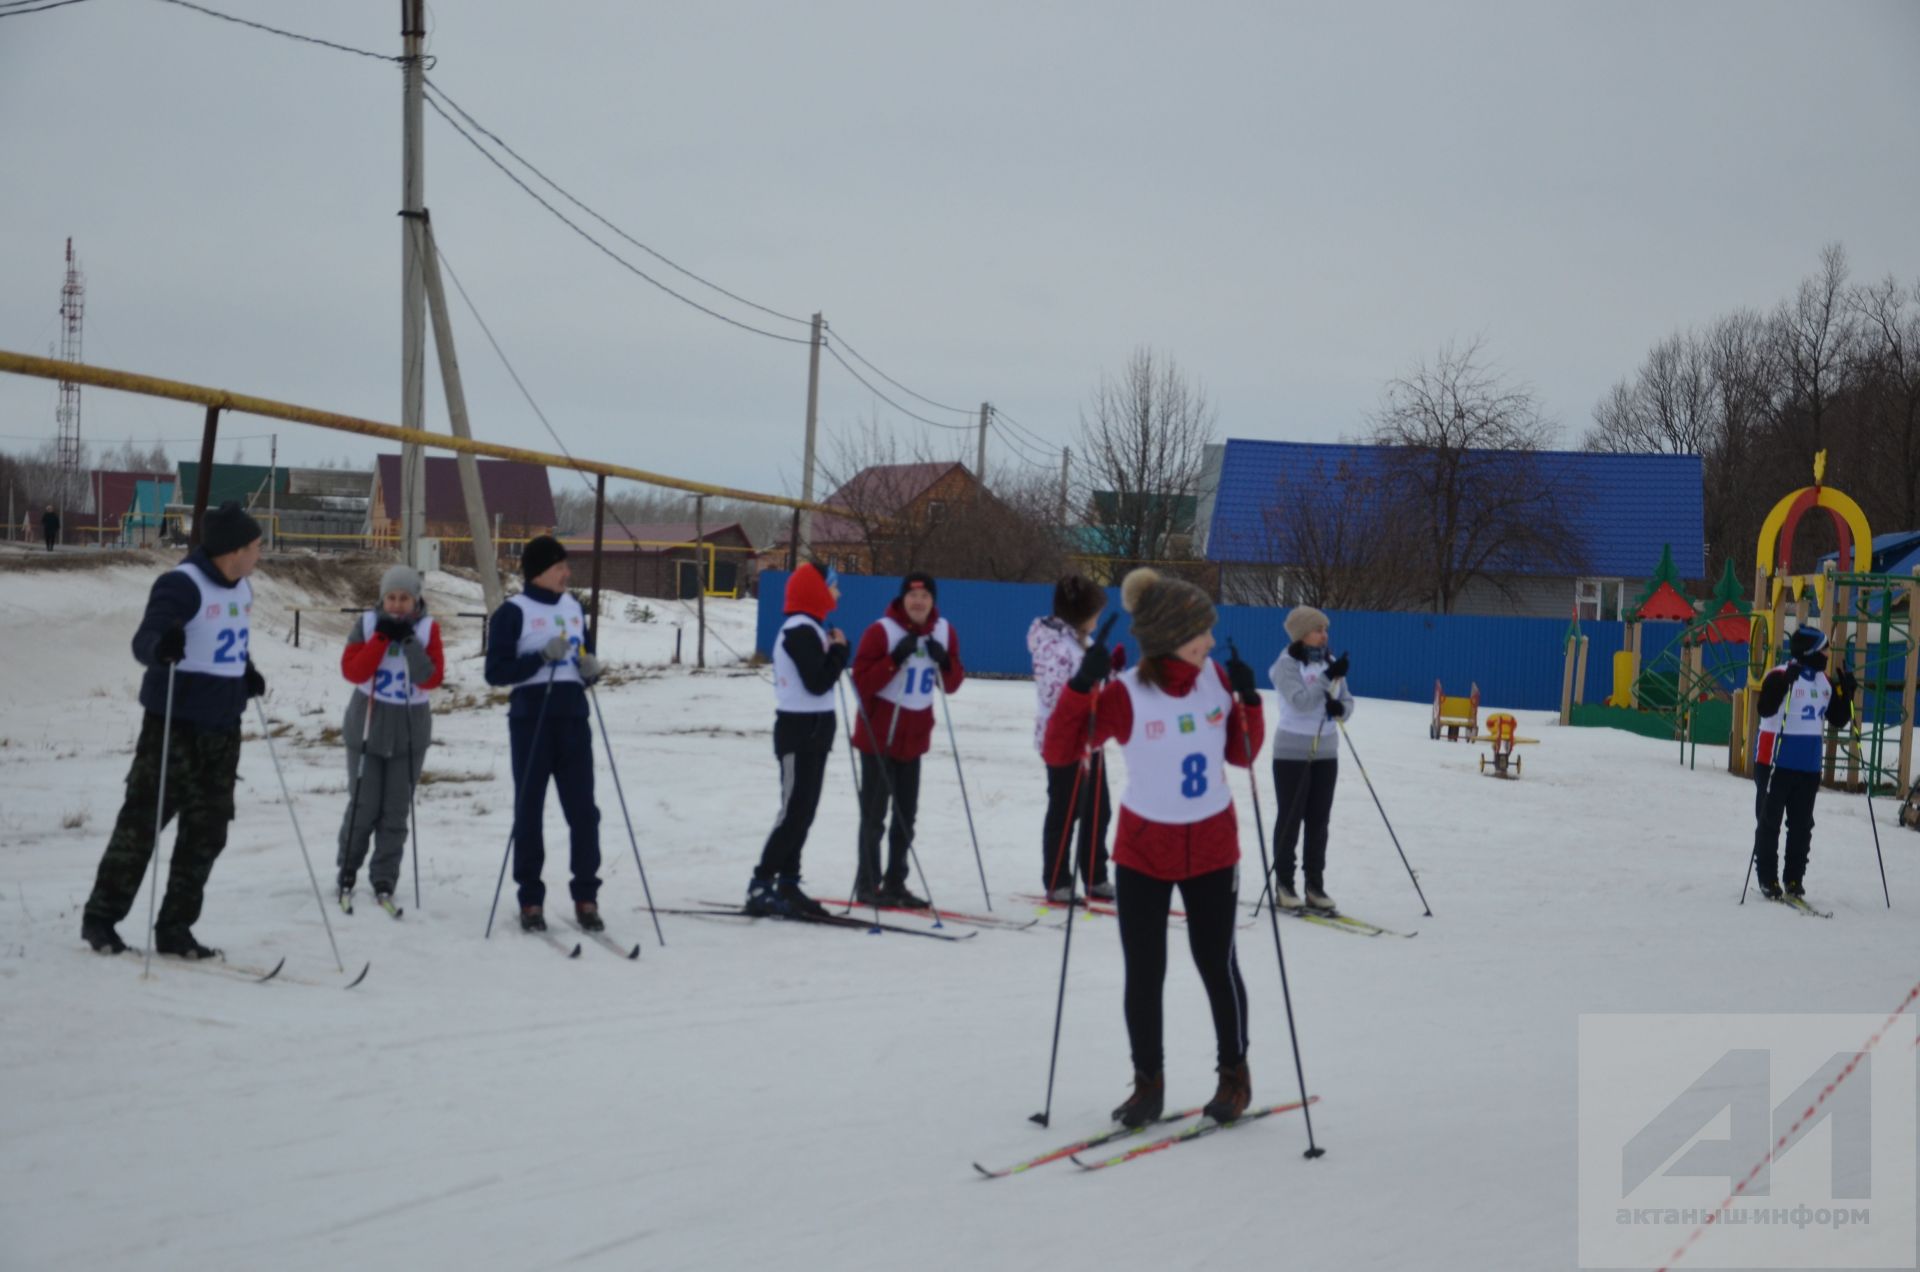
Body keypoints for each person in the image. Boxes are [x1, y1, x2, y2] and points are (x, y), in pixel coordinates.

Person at [1044, 568, 1266, 1127]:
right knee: (1145, 972)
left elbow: (1241, 754)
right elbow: (1061, 749)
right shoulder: (1125, 694)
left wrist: (1249, 700)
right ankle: (1149, 1085)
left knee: (1217, 964)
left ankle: (1234, 1076)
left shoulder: (1214, 677)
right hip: (1144, 851)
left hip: (1213, 846)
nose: (1211, 641)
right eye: (1201, 633)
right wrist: (1079, 688)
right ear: (1172, 636)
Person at [81, 501, 266, 958]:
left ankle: (175, 929)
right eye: (256, 546)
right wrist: (162, 645)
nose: (261, 554)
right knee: (142, 825)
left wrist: (246, 671)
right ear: (234, 549)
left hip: (224, 729)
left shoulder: (242, 588)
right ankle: (101, 919)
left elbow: (228, 641)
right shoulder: (181, 586)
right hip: (174, 728)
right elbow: (145, 641)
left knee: (207, 832)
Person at [483, 536, 605, 934]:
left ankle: (586, 896)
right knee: (529, 810)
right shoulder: (513, 612)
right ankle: (531, 900)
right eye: (560, 567)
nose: (567, 573)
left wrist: (589, 670)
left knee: (584, 812)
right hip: (531, 719)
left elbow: (582, 653)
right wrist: (539, 658)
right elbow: (496, 673)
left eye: (566, 566)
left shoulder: (573, 608)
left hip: (572, 717)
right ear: (539, 571)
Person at [848, 571, 966, 908]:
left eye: (925, 597)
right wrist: (893, 659)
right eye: (913, 597)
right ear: (902, 600)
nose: (918, 602)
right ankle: (868, 884)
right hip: (879, 738)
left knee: (905, 817)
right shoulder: (881, 631)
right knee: (873, 817)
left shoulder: (944, 632)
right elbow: (862, 683)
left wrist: (945, 662)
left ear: (933, 602)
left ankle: (896, 882)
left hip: (914, 739)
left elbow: (953, 683)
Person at [335, 563, 445, 914]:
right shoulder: (368, 625)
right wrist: (382, 639)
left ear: (417, 600)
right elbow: (353, 670)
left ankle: (384, 876)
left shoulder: (427, 629)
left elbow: (430, 678)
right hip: (368, 723)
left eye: (405, 598)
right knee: (364, 806)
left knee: (395, 811)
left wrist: (410, 643)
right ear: (382, 599)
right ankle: (347, 869)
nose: (397, 605)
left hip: (409, 730)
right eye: (391, 598)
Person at [748, 561, 849, 918]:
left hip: (816, 732)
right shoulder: (798, 630)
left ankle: (788, 883)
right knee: (793, 812)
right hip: (799, 732)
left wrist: (835, 649)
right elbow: (817, 681)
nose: (838, 592)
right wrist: (840, 651)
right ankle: (761, 883)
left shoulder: (812, 628)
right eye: (833, 586)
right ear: (817, 591)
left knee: (804, 812)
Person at [1028, 573, 1119, 902]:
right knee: (1065, 811)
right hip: (1063, 740)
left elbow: (1100, 679)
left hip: (1090, 740)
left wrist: (1112, 672)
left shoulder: (1083, 641)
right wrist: (1088, 677)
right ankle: (1057, 880)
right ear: (1081, 615)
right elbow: (1057, 695)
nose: (1097, 620)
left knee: (1099, 809)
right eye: (1094, 613)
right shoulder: (1053, 646)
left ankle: (1095, 876)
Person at [1750, 624, 1854, 900]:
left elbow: (1838, 719)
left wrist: (1847, 695)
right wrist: (1786, 683)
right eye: (1824, 648)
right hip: (1775, 760)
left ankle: (1794, 879)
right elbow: (1765, 708)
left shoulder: (1824, 682)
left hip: (1808, 765)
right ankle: (1767, 878)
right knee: (1769, 821)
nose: (1828, 653)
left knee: (1801, 825)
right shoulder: (1779, 675)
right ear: (1809, 651)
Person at [1267, 605, 1355, 913]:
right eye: (1319, 629)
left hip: (1326, 751)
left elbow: (1347, 699)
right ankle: (1284, 884)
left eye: (1325, 629)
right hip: (1292, 751)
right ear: (1302, 633)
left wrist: (1339, 710)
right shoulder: (1285, 665)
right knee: (1291, 818)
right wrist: (1326, 679)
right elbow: (1301, 702)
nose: (1324, 635)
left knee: (1319, 820)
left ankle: (1314, 885)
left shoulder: (1330, 662)